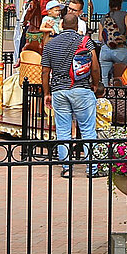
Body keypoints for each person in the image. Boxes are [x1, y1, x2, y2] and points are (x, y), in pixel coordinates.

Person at [41, 11, 102, 177]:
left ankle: (67, 168)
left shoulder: (50, 44)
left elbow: (45, 72)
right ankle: (92, 168)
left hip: (59, 90)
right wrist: (95, 84)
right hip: (81, 88)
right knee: (88, 130)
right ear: (76, 26)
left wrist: (47, 93)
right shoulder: (85, 41)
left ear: (61, 25)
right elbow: (95, 67)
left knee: (63, 131)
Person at [98, 0, 127, 87]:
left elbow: (100, 38)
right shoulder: (124, 15)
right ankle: (119, 94)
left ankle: (105, 94)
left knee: (104, 78)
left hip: (105, 50)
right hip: (120, 49)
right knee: (121, 77)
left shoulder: (103, 18)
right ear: (120, 5)